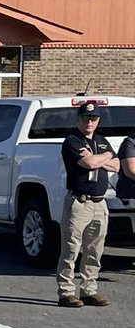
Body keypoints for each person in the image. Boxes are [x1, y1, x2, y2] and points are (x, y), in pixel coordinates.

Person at [57, 102, 120, 308]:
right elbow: (89, 164)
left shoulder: (102, 141)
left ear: (98, 121)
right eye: (85, 118)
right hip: (79, 202)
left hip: (99, 203)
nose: (89, 122)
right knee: (71, 249)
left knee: (94, 250)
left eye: (93, 119)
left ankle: (89, 290)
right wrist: (101, 159)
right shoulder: (72, 141)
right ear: (78, 120)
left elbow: (117, 166)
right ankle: (66, 292)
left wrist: (101, 156)